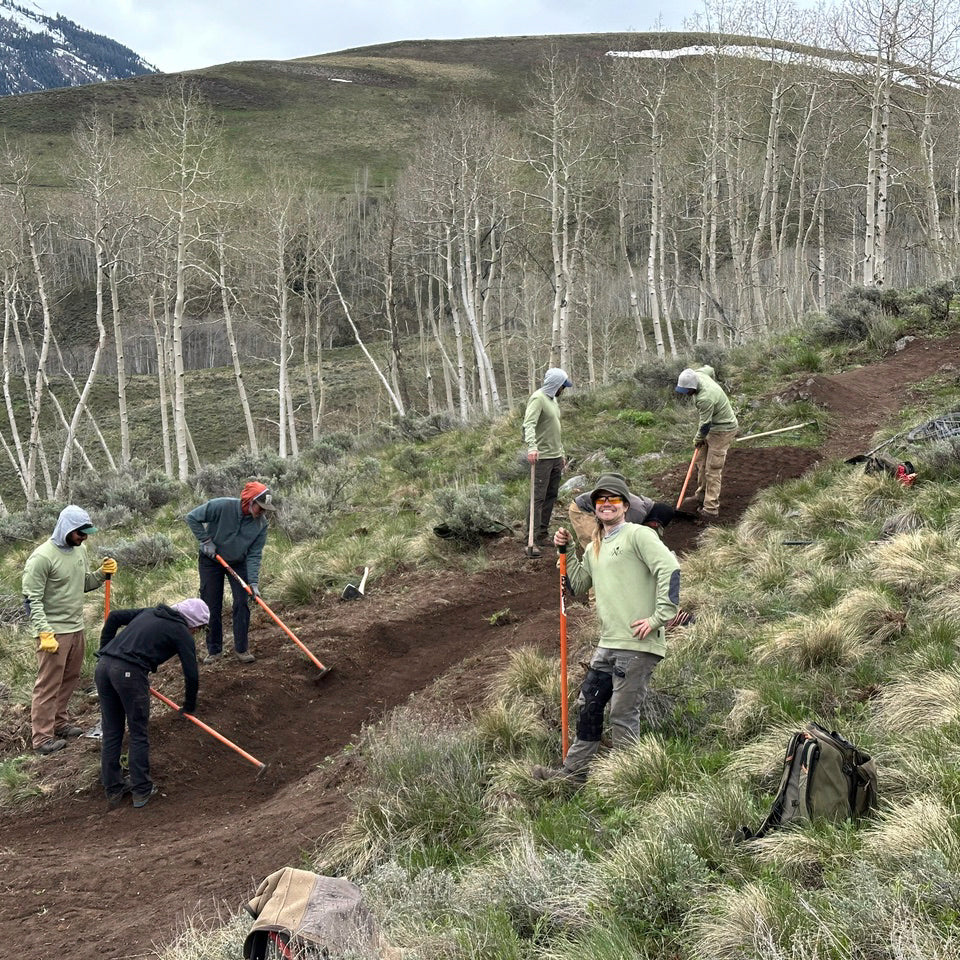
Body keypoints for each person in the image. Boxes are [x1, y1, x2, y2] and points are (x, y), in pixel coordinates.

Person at [533, 474, 681, 783]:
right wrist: (566, 550)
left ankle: (631, 782)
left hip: (638, 643)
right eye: (601, 500)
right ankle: (572, 776)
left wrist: (658, 618)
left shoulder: (639, 535)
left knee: (622, 714)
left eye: (613, 499)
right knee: (589, 707)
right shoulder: (595, 547)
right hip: (608, 643)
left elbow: (670, 568)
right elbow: (576, 584)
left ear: (625, 505)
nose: (606, 504)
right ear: (595, 508)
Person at [22, 505, 117, 756]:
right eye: (80, 533)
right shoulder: (42, 557)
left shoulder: (80, 550)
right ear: (66, 529)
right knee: (48, 684)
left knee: (69, 678)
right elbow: (31, 599)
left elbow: (82, 583)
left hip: (77, 627)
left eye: (86, 533)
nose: (84, 537)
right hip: (53, 632)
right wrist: (44, 632)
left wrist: (100, 575)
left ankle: (60, 723)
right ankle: (42, 739)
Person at [95, 598, 207, 808]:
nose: (196, 632)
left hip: (103, 668)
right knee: (138, 732)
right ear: (193, 622)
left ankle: (113, 788)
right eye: (199, 628)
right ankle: (141, 790)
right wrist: (189, 706)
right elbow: (191, 674)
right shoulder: (180, 631)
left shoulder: (150, 612)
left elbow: (114, 617)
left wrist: (105, 650)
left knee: (112, 731)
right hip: (129, 673)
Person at [185, 481, 274, 664]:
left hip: (238, 562)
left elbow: (255, 554)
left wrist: (253, 582)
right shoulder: (222, 505)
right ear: (249, 501)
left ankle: (242, 649)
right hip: (212, 560)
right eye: (260, 507)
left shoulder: (261, 525)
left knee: (242, 602)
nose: (262, 512)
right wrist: (205, 540)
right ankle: (214, 650)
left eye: (265, 509)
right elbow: (192, 517)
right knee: (211, 604)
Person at [675, 364, 739, 521]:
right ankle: (701, 495)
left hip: (723, 430)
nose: (687, 394)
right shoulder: (700, 374)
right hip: (711, 428)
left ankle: (711, 508)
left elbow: (704, 425)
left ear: (693, 387)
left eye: (688, 392)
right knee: (701, 462)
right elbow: (710, 368)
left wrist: (697, 439)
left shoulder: (705, 398)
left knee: (713, 468)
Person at [522, 367, 572, 558]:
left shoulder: (553, 400)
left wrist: (561, 453)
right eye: (562, 386)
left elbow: (554, 430)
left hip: (555, 456)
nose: (564, 390)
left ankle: (542, 533)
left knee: (551, 495)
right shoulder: (538, 399)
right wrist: (532, 447)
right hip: (541, 458)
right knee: (538, 497)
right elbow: (529, 424)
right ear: (555, 385)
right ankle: (531, 539)